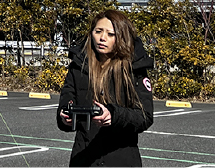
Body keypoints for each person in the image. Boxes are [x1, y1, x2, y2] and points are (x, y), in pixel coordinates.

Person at [57, 9, 154, 166]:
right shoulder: (78, 66)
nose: (102, 38)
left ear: (122, 37)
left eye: (111, 34)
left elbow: (144, 117)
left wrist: (113, 115)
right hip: (84, 158)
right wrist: (65, 117)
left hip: (121, 159)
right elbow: (66, 100)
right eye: (98, 31)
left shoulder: (135, 68)